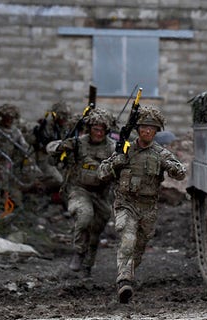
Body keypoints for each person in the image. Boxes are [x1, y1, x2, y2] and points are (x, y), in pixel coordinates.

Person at [97, 105, 187, 304]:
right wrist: (116, 163)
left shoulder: (160, 153)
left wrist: (173, 168)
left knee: (138, 248)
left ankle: (127, 273)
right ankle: (124, 282)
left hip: (148, 208)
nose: (147, 131)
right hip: (126, 203)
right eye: (144, 127)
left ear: (156, 132)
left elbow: (181, 173)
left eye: (152, 128)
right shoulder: (125, 149)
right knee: (127, 240)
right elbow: (101, 172)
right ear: (138, 129)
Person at [48, 107, 116, 277]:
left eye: (102, 130)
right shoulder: (79, 142)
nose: (99, 133)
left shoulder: (112, 147)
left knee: (95, 234)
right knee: (85, 216)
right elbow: (51, 148)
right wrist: (61, 146)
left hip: (101, 194)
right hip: (79, 190)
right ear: (89, 128)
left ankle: (87, 266)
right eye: (95, 129)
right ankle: (78, 252)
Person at [26, 101, 73, 192]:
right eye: (62, 116)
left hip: (59, 159)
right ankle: (37, 186)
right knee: (59, 180)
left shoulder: (65, 127)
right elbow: (42, 145)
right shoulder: (45, 127)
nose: (64, 119)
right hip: (45, 158)